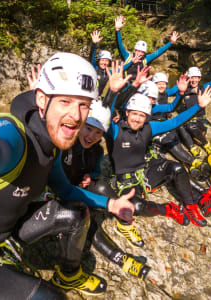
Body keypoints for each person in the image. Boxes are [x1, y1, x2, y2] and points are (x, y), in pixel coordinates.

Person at [0, 52, 136, 298]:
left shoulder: (50, 144)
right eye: (65, 101)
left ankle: (69, 275)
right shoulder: (14, 137)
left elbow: (64, 189)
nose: (76, 116)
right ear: (42, 101)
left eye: (83, 104)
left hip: (9, 232)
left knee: (77, 215)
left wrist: (111, 203)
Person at [104, 66, 211, 246]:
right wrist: (112, 92)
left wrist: (198, 106)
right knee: (137, 207)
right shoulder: (116, 130)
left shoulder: (149, 128)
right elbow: (105, 116)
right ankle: (169, 209)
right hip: (125, 180)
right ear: (127, 113)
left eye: (142, 116)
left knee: (177, 168)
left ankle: (190, 206)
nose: (137, 119)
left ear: (146, 117)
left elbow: (175, 121)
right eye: (134, 114)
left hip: (146, 172)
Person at [59, 99, 150, 280]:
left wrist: (89, 176)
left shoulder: (97, 151)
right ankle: (120, 257)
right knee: (82, 216)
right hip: (61, 194)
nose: (91, 136)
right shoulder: (65, 145)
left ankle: (122, 220)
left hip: (78, 187)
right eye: (88, 128)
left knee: (101, 184)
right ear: (80, 124)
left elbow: (96, 171)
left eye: (98, 132)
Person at [176, 65, 211, 157]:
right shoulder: (185, 90)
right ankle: (192, 148)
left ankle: (205, 144)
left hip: (200, 122)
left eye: (196, 77)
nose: (194, 80)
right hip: (188, 120)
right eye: (191, 78)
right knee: (180, 126)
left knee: (190, 125)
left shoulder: (203, 88)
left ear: (199, 78)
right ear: (188, 78)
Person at [114, 15, 180, 81]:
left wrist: (170, 42)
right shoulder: (127, 56)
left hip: (140, 85)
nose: (140, 53)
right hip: (127, 84)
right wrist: (118, 30)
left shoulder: (146, 59)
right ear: (134, 50)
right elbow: (120, 45)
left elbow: (158, 52)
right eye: (138, 51)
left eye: (142, 52)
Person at [88, 30, 113, 96]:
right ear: (98, 61)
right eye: (102, 60)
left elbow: (124, 68)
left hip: (100, 100)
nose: (104, 63)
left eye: (107, 60)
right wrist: (94, 44)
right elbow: (91, 57)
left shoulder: (110, 72)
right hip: (90, 96)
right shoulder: (94, 67)